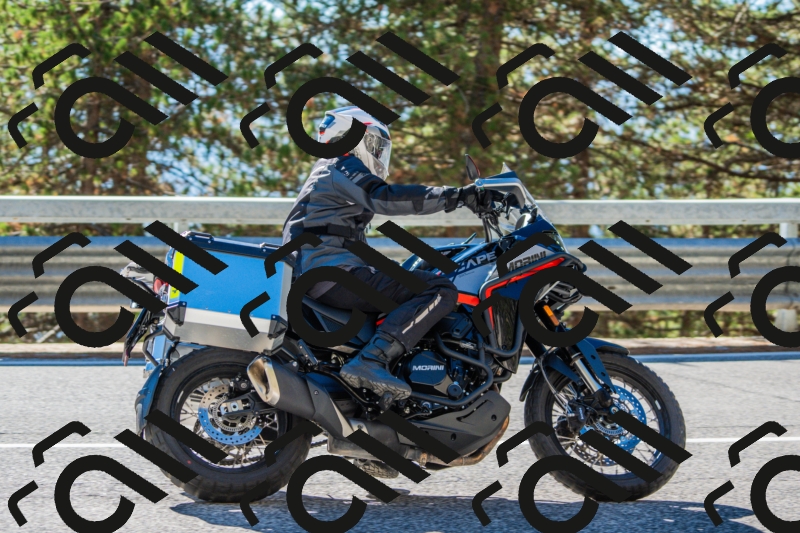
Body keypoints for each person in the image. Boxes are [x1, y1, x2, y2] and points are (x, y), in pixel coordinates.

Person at [283, 106, 499, 405]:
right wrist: (459, 196)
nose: (378, 153)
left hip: (324, 271)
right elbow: (386, 198)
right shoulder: (341, 165)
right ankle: (372, 361)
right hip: (330, 273)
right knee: (439, 289)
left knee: (418, 277)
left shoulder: (330, 172)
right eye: (374, 144)